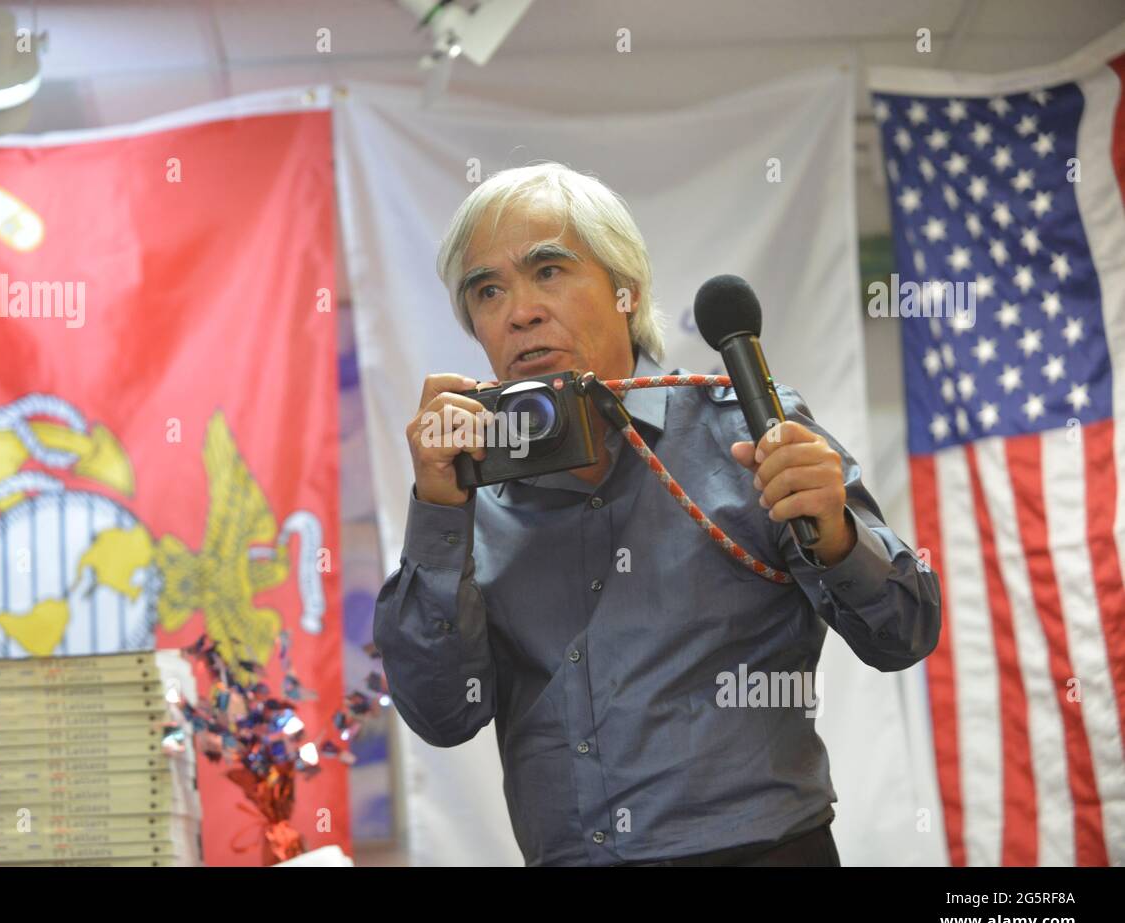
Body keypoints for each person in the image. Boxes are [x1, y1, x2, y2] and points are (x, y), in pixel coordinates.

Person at [372, 161, 941, 866]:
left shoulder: (747, 433)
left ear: (626, 290)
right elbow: (439, 716)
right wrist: (435, 508)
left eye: (548, 271)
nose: (520, 310)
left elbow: (904, 633)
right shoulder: (465, 493)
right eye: (488, 291)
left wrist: (835, 533)